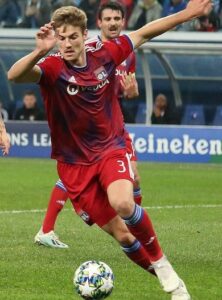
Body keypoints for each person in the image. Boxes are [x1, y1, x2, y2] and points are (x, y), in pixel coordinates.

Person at [8, 1, 211, 299]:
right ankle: (173, 284)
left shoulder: (104, 54)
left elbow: (144, 33)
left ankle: (164, 266)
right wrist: (40, 50)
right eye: (61, 38)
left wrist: (188, 14)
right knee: (124, 235)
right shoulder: (51, 67)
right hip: (74, 165)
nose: (66, 44)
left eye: (72, 37)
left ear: (84, 35)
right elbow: (14, 75)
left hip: (109, 148)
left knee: (124, 203)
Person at [34, 1, 142, 250]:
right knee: (84, 172)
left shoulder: (127, 53)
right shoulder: (88, 48)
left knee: (133, 177)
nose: (113, 23)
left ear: (123, 22)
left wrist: (132, 92)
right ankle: (50, 226)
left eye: (117, 19)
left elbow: (124, 91)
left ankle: (134, 231)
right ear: (98, 24)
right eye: (108, 19)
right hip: (87, 129)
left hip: (112, 123)